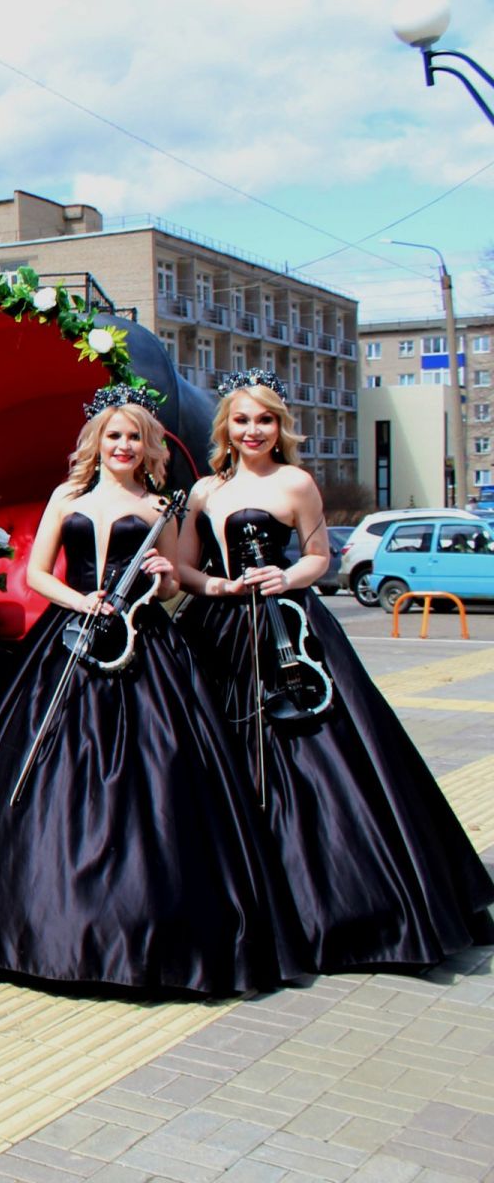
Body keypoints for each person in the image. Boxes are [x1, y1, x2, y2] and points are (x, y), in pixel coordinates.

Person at [0, 387, 306, 997]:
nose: (124, 445)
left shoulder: (161, 506)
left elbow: (174, 588)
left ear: (150, 446)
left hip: (141, 645)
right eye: (114, 435)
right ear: (98, 441)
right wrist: (79, 600)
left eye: (135, 437)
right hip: (67, 636)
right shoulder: (67, 497)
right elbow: (39, 571)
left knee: (163, 780)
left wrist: (165, 576)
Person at [176, 370, 494, 972]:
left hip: (287, 629)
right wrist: (216, 584)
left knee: (323, 756)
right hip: (217, 632)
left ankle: (342, 905)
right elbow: (187, 569)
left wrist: (283, 576)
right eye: (241, 420)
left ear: (279, 427)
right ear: (226, 426)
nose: (252, 430)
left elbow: (321, 559)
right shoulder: (202, 492)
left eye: (264, 419)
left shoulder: (297, 483)